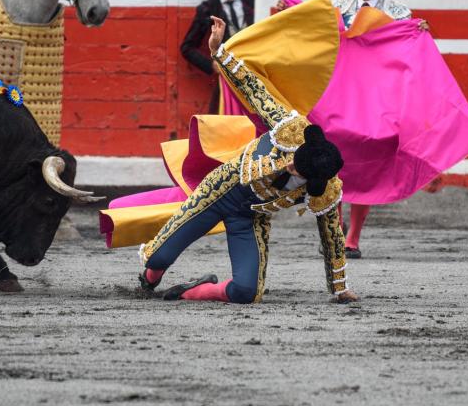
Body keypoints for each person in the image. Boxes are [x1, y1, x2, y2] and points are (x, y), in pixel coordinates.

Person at [138, 15, 356, 304]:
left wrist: (339, 288)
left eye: (298, 171)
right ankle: (150, 279)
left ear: (314, 181)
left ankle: (187, 292)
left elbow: (332, 239)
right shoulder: (291, 130)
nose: (290, 165)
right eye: (294, 160)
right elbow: (254, 89)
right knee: (157, 257)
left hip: (250, 217)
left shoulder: (327, 190)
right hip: (218, 194)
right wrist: (218, 51)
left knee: (247, 293)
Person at [331, 0, 428, 259]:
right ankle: (336, 229)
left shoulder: (400, 14)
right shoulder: (335, 7)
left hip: (378, 100)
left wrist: (418, 32)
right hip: (339, 94)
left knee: (369, 164)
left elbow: (405, 52)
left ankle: (352, 238)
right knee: (332, 161)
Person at [179, 0, 259, 114]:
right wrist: (212, 65)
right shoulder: (208, 8)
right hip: (228, 77)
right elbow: (187, 47)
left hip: (257, 71)